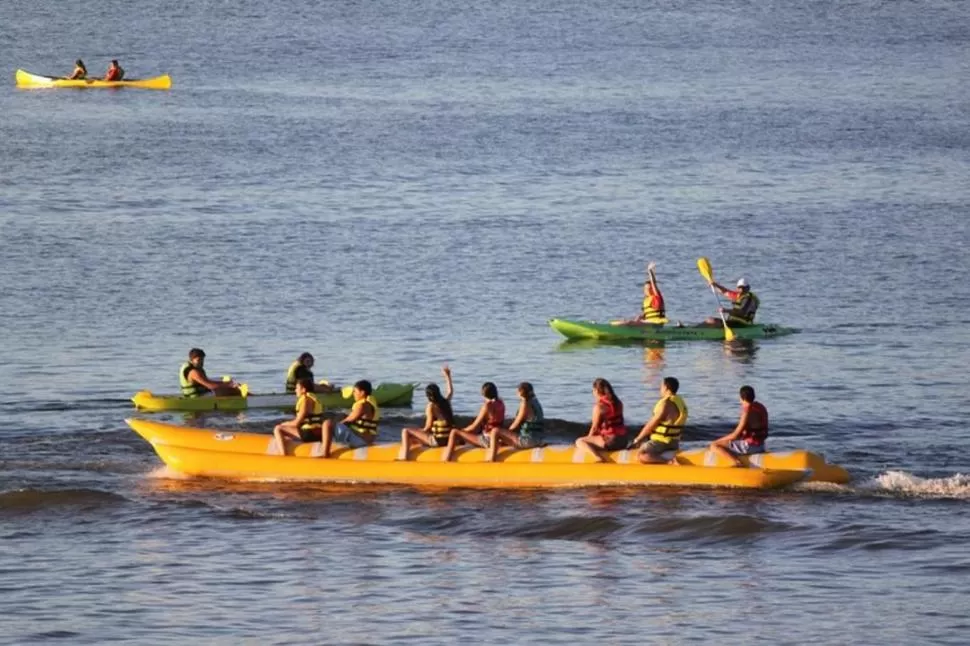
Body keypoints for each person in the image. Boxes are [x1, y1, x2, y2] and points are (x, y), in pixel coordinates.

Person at [397, 366, 454, 461]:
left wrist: (417, 431)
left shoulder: (431, 406)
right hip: (448, 440)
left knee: (406, 431)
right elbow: (450, 392)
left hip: (437, 441)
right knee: (414, 439)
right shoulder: (445, 402)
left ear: (428, 396)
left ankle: (404, 458)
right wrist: (447, 376)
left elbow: (427, 427)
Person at [629, 377, 688, 464]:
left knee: (642, 455)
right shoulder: (680, 402)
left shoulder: (665, 404)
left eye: (661, 387)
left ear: (666, 388)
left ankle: (669, 462)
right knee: (644, 446)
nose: (660, 389)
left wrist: (638, 439)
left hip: (661, 442)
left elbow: (651, 425)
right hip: (674, 442)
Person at [441, 382, 505, 461]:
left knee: (454, 432)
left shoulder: (487, 406)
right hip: (499, 438)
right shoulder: (501, 403)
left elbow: (474, 426)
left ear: (483, 394)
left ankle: (445, 460)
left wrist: (462, 431)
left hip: (487, 439)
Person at [485, 382, 546, 462]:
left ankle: (491, 459)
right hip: (539, 439)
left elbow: (515, 424)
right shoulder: (536, 402)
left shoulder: (525, 404)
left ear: (520, 393)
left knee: (495, 431)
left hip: (528, 441)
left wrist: (503, 435)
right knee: (503, 433)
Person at [317, 380, 380, 458]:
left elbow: (347, 421)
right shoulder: (370, 404)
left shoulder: (362, 405)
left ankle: (325, 454)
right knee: (341, 415)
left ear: (362, 392)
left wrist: (334, 424)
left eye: (355, 391)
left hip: (360, 442)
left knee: (327, 423)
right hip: (366, 439)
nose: (353, 394)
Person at [709, 385, 769, 467]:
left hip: (749, 447)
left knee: (714, 446)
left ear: (742, 398)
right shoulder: (761, 407)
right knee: (731, 442)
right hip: (761, 445)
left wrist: (717, 441)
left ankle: (736, 463)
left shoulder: (746, 411)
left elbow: (735, 435)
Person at [574, 378, 628, 463]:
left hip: (611, 441)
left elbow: (594, 428)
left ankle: (598, 457)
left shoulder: (599, 407)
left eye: (593, 390)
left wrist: (588, 439)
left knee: (579, 441)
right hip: (624, 440)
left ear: (596, 391)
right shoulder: (619, 403)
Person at [272, 378, 324, 454]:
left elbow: (296, 423)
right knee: (287, 433)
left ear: (303, 390)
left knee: (278, 429)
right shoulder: (314, 398)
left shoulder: (306, 400)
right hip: (319, 433)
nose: (295, 390)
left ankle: (283, 455)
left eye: (297, 388)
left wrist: (283, 424)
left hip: (309, 434)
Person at [614, 262, 667, 327]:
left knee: (629, 323)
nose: (647, 290)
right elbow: (646, 315)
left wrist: (649, 271)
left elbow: (653, 283)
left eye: (649, 288)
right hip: (649, 323)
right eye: (645, 288)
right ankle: (615, 326)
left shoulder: (657, 297)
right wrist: (639, 318)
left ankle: (615, 329)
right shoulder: (647, 300)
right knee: (627, 321)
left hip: (656, 324)